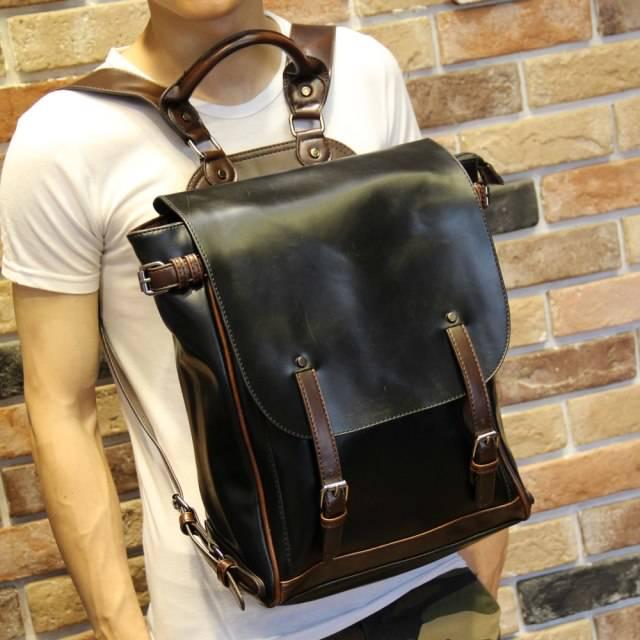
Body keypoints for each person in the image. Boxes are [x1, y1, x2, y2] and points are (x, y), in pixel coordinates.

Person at [0, 0, 508, 638]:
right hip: (228, 620)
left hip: (431, 585)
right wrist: (117, 625)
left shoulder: (360, 70)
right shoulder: (68, 137)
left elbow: (441, 312)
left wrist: (483, 547)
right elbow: (60, 407)